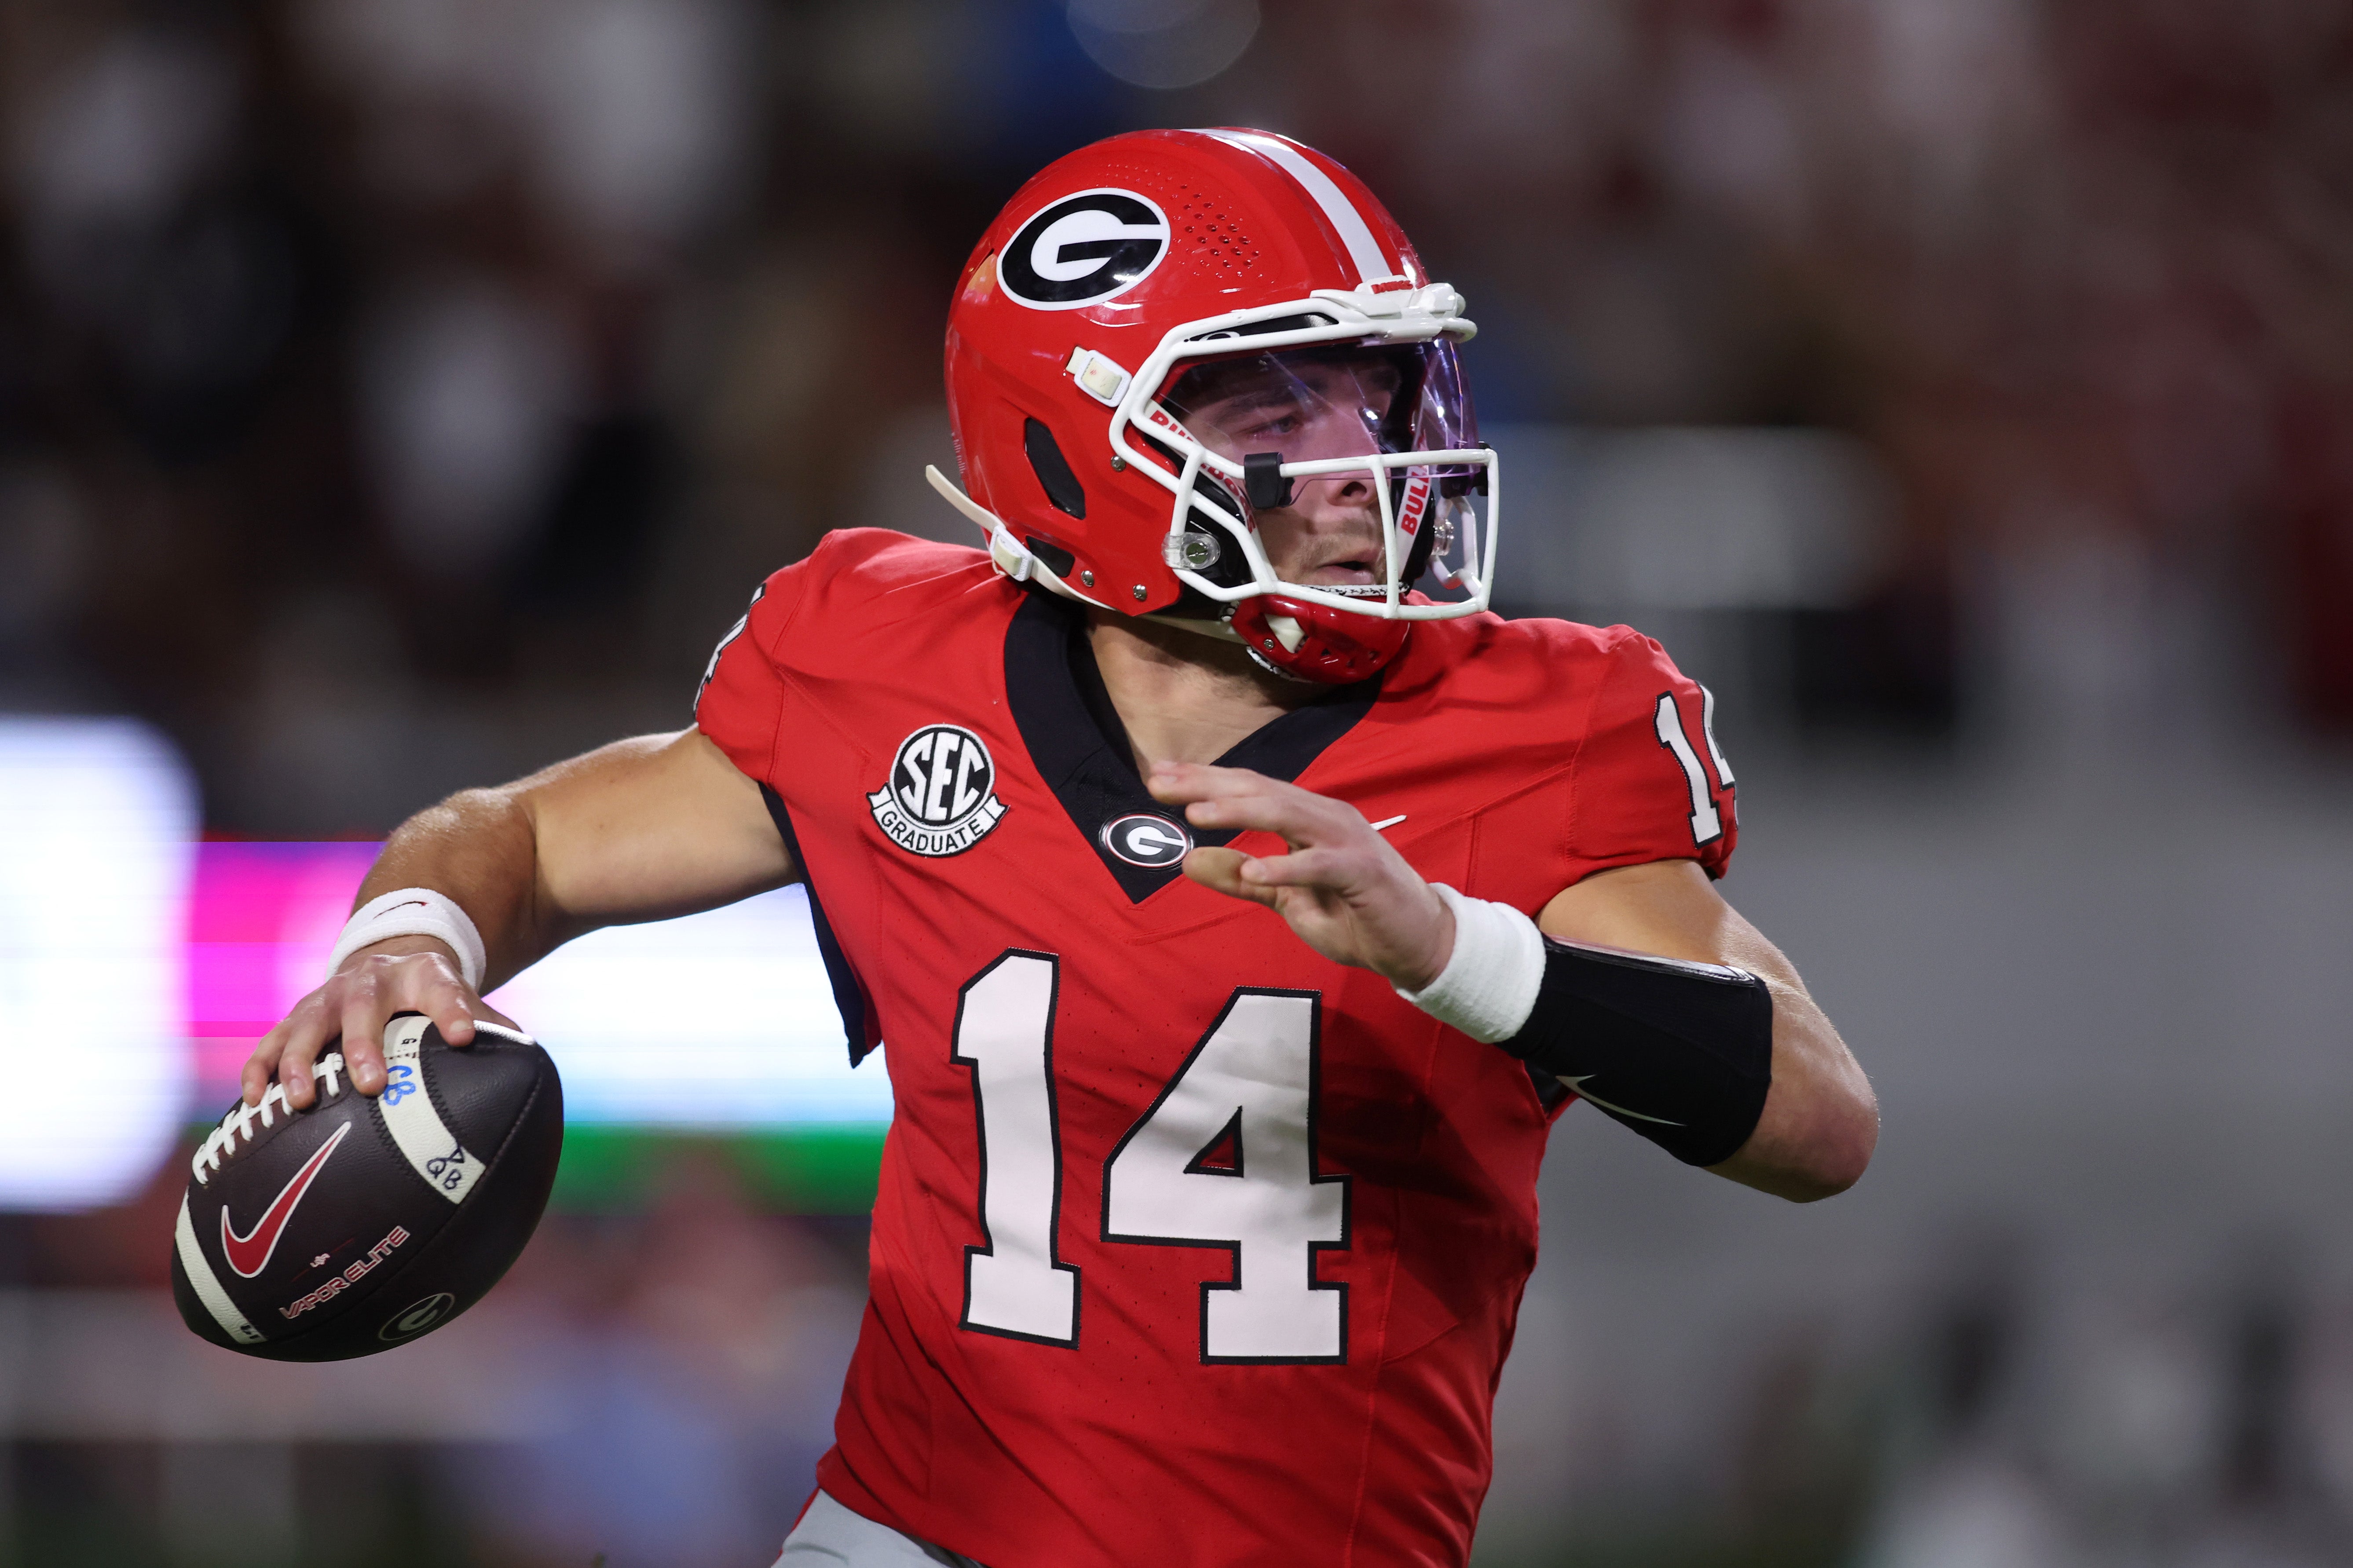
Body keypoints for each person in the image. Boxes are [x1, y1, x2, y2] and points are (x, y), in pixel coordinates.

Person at [246, 128, 1876, 1568]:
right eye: (1274, 401)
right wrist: (414, 939)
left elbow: (1818, 1119)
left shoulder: (1540, 721)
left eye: (1373, 387)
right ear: (1073, 447)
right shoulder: (886, 661)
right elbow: (518, 836)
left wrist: (1455, 951)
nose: (1361, 462)